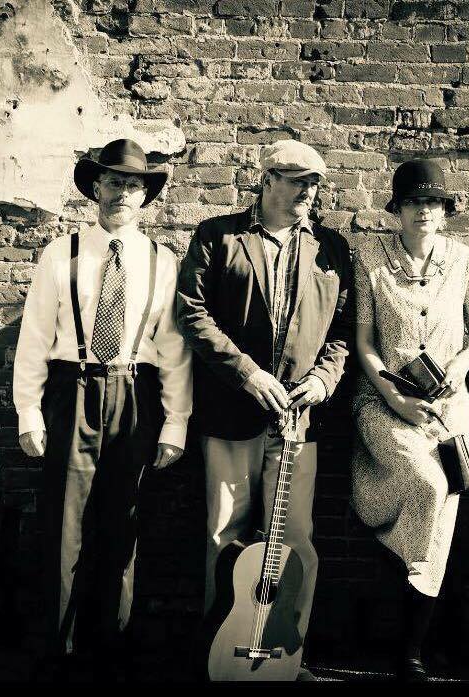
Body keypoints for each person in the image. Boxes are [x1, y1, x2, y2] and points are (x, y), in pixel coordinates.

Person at [13, 138, 193, 677]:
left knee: (123, 524)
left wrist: (176, 423)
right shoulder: (61, 252)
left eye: (133, 185)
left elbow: (174, 348)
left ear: (146, 197)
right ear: (96, 188)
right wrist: (28, 412)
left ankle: (110, 647)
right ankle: (57, 648)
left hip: (133, 394)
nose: (122, 194)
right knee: (64, 524)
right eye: (113, 182)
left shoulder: (162, 261)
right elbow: (34, 337)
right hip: (72, 390)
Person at [176, 139, 352, 680]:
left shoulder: (331, 248)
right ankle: (221, 653)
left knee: (297, 541)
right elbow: (193, 314)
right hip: (230, 415)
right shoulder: (218, 236)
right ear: (267, 178)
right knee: (224, 538)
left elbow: (343, 330)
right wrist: (248, 373)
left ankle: (288, 653)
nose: (308, 193)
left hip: (299, 419)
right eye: (297, 181)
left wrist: (324, 378)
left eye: (315, 183)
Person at [350, 159, 469, 681]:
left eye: (433, 204)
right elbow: (364, 341)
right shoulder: (371, 256)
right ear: (398, 209)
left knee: (443, 518)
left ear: (445, 211)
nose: (424, 212)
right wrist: (391, 395)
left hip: (448, 409)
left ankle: (409, 650)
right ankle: (405, 615)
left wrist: (458, 366)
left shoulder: (464, 260)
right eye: (414, 203)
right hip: (383, 401)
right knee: (429, 489)